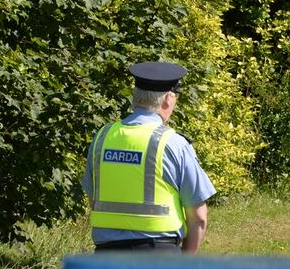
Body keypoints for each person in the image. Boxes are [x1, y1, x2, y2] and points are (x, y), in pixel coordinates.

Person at [82, 61, 215, 253]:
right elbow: (199, 217)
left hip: (106, 258)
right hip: (159, 258)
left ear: (135, 97)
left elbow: (93, 199)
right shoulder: (174, 144)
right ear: (168, 99)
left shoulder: (102, 138)